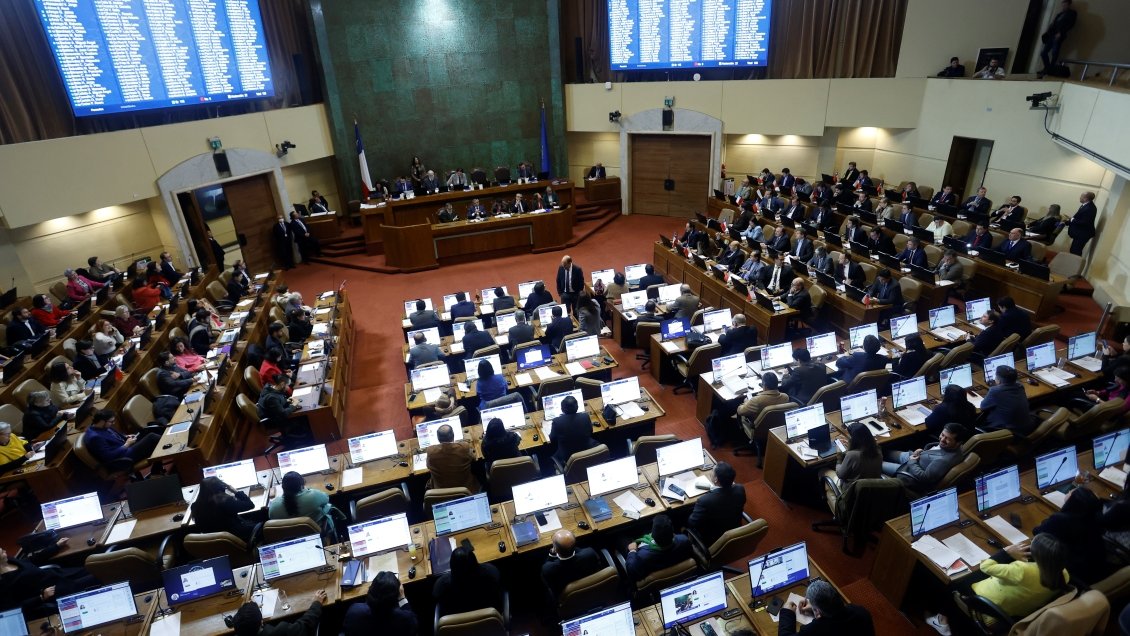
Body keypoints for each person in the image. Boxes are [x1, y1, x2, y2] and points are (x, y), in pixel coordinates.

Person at [926, 534, 1069, 635]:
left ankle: (943, 623)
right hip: (1015, 611)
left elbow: (985, 566)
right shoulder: (1064, 575)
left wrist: (1006, 552)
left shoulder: (1022, 570)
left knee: (951, 582)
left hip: (986, 603)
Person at [0, 541, 100, 619]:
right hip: (54, 590)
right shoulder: (3, 583)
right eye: (0, 551)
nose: (3, 549)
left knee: (94, 568)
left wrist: (56, 546)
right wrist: (40, 597)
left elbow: (33, 559)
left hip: (59, 574)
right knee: (96, 577)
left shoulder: (11, 560)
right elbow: (14, 608)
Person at [1033, 487, 1112, 585]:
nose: (1069, 492)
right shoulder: (1093, 516)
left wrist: (1047, 521)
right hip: (1098, 567)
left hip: (1076, 575)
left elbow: (1037, 532)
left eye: (1071, 493)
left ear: (1073, 501)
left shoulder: (1061, 519)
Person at [881, 423, 968, 492]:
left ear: (958, 443)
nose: (942, 439)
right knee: (884, 451)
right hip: (917, 457)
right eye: (942, 434)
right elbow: (936, 451)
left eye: (948, 439)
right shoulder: (957, 447)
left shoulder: (944, 461)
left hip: (908, 472)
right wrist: (923, 451)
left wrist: (912, 462)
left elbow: (925, 478)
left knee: (878, 464)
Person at [780, 579, 875, 635]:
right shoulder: (861, 612)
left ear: (818, 612)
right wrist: (816, 609)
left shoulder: (813, 630)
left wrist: (787, 612)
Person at [686, 461, 746, 547]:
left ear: (716, 480)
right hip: (735, 529)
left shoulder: (704, 501)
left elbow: (692, 523)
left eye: (712, 471)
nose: (710, 472)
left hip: (713, 539)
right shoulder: (740, 489)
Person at [433, 546, 504, 616]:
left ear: (451, 566)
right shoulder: (492, 573)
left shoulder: (441, 586)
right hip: (489, 619)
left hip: (459, 621)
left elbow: (436, 596)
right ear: (475, 561)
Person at [343, 571, 417, 636]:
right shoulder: (406, 620)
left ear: (370, 591)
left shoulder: (354, 611)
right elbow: (413, 625)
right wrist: (402, 598)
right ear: (395, 600)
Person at [624, 514, 693, 582]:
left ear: (652, 535)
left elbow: (632, 571)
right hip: (675, 567)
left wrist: (632, 550)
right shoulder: (684, 540)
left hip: (651, 570)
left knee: (622, 539)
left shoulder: (642, 556)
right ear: (673, 533)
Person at [191, 476, 259, 544]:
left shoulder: (195, 506)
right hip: (236, 537)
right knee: (261, 523)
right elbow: (250, 505)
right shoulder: (225, 502)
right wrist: (235, 491)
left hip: (215, 543)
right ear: (221, 487)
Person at [83, 409, 161, 466]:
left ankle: (157, 468)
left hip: (124, 446)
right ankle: (167, 452)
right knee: (151, 437)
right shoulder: (95, 437)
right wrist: (126, 444)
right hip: (123, 458)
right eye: (111, 421)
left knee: (146, 431)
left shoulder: (101, 426)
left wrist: (126, 436)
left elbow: (113, 437)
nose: (113, 423)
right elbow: (109, 456)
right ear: (102, 421)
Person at [542, 529, 603, 602]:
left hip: (570, 600)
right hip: (594, 591)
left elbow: (547, 581)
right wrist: (570, 546)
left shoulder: (549, 569)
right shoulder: (590, 553)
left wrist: (551, 554)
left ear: (556, 549)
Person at [268, 471, 336, 536]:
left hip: (289, 539)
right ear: (301, 486)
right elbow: (326, 498)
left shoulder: (273, 507)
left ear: (283, 488)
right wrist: (307, 490)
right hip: (316, 535)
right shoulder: (313, 496)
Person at [231, 590, 326, 636]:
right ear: (261, 622)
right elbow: (305, 624)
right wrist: (316, 602)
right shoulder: (280, 631)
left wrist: (251, 608)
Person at [978, 366, 1033, 437]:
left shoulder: (995, 391)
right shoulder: (1020, 386)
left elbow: (983, 407)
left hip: (1009, 434)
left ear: (998, 381)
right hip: (1027, 429)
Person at [425, 424, 478, 492]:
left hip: (441, 492)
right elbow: (474, 458)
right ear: (453, 435)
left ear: (438, 438)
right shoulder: (464, 447)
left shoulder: (431, 452)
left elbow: (428, 466)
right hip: (466, 490)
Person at [830, 423, 882, 489]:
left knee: (823, 471)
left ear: (854, 439)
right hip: (873, 487)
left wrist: (839, 457)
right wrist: (850, 448)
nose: (848, 438)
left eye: (849, 436)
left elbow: (840, 475)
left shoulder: (852, 455)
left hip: (852, 491)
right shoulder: (877, 449)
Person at [548, 395, 595, 465]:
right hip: (587, 451)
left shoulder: (557, 421)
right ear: (577, 407)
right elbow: (591, 431)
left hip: (568, 457)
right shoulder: (585, 416)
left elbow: (552, 438)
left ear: (562, 409)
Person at [1038, 0, 1077, 78]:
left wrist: (1061, 32)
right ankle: (1048, 68)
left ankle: (1049, 69)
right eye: (1063, 5)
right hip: (1052, 35)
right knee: (1043, 52)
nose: (1063, 6)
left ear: (1069, 5)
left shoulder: (1072, 13)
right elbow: (1053, 24)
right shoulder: (1059, 14)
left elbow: (1071, 24)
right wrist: (1048, 32)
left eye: (1065, 5)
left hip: (1059, 35)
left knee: (1054, 52)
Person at [1066, 191, 1097, 256]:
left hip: (1083, 233)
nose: (1080, 197)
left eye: (1081, 196)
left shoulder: (1090, 208)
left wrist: (1071, 219)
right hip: (1080, 233)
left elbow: (1084, 222)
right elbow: (1079, 218)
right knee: (1073, 250)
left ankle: (1075, 263)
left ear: (1086, 198)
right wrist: (1067, 222)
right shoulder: (1085, 205)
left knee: (1075, 251)